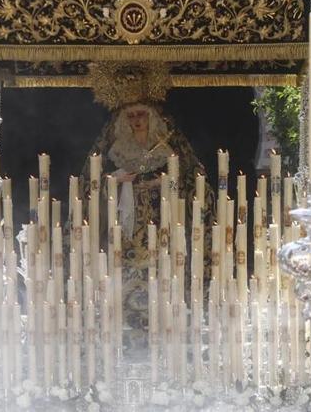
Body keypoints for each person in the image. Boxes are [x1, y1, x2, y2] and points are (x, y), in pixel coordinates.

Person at [82, 94, 213, 340]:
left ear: (152, 118)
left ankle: (165, 321)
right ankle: (120, 322)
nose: (136, 120)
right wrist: (116, 180)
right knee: (123, 268)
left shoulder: (166, 148)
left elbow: (189, 181)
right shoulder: (117, 150)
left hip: (159, 219)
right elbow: (91, 183)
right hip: (124, 228)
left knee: (161, 265)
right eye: (131, 116)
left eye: (141, 114)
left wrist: (163, 182)